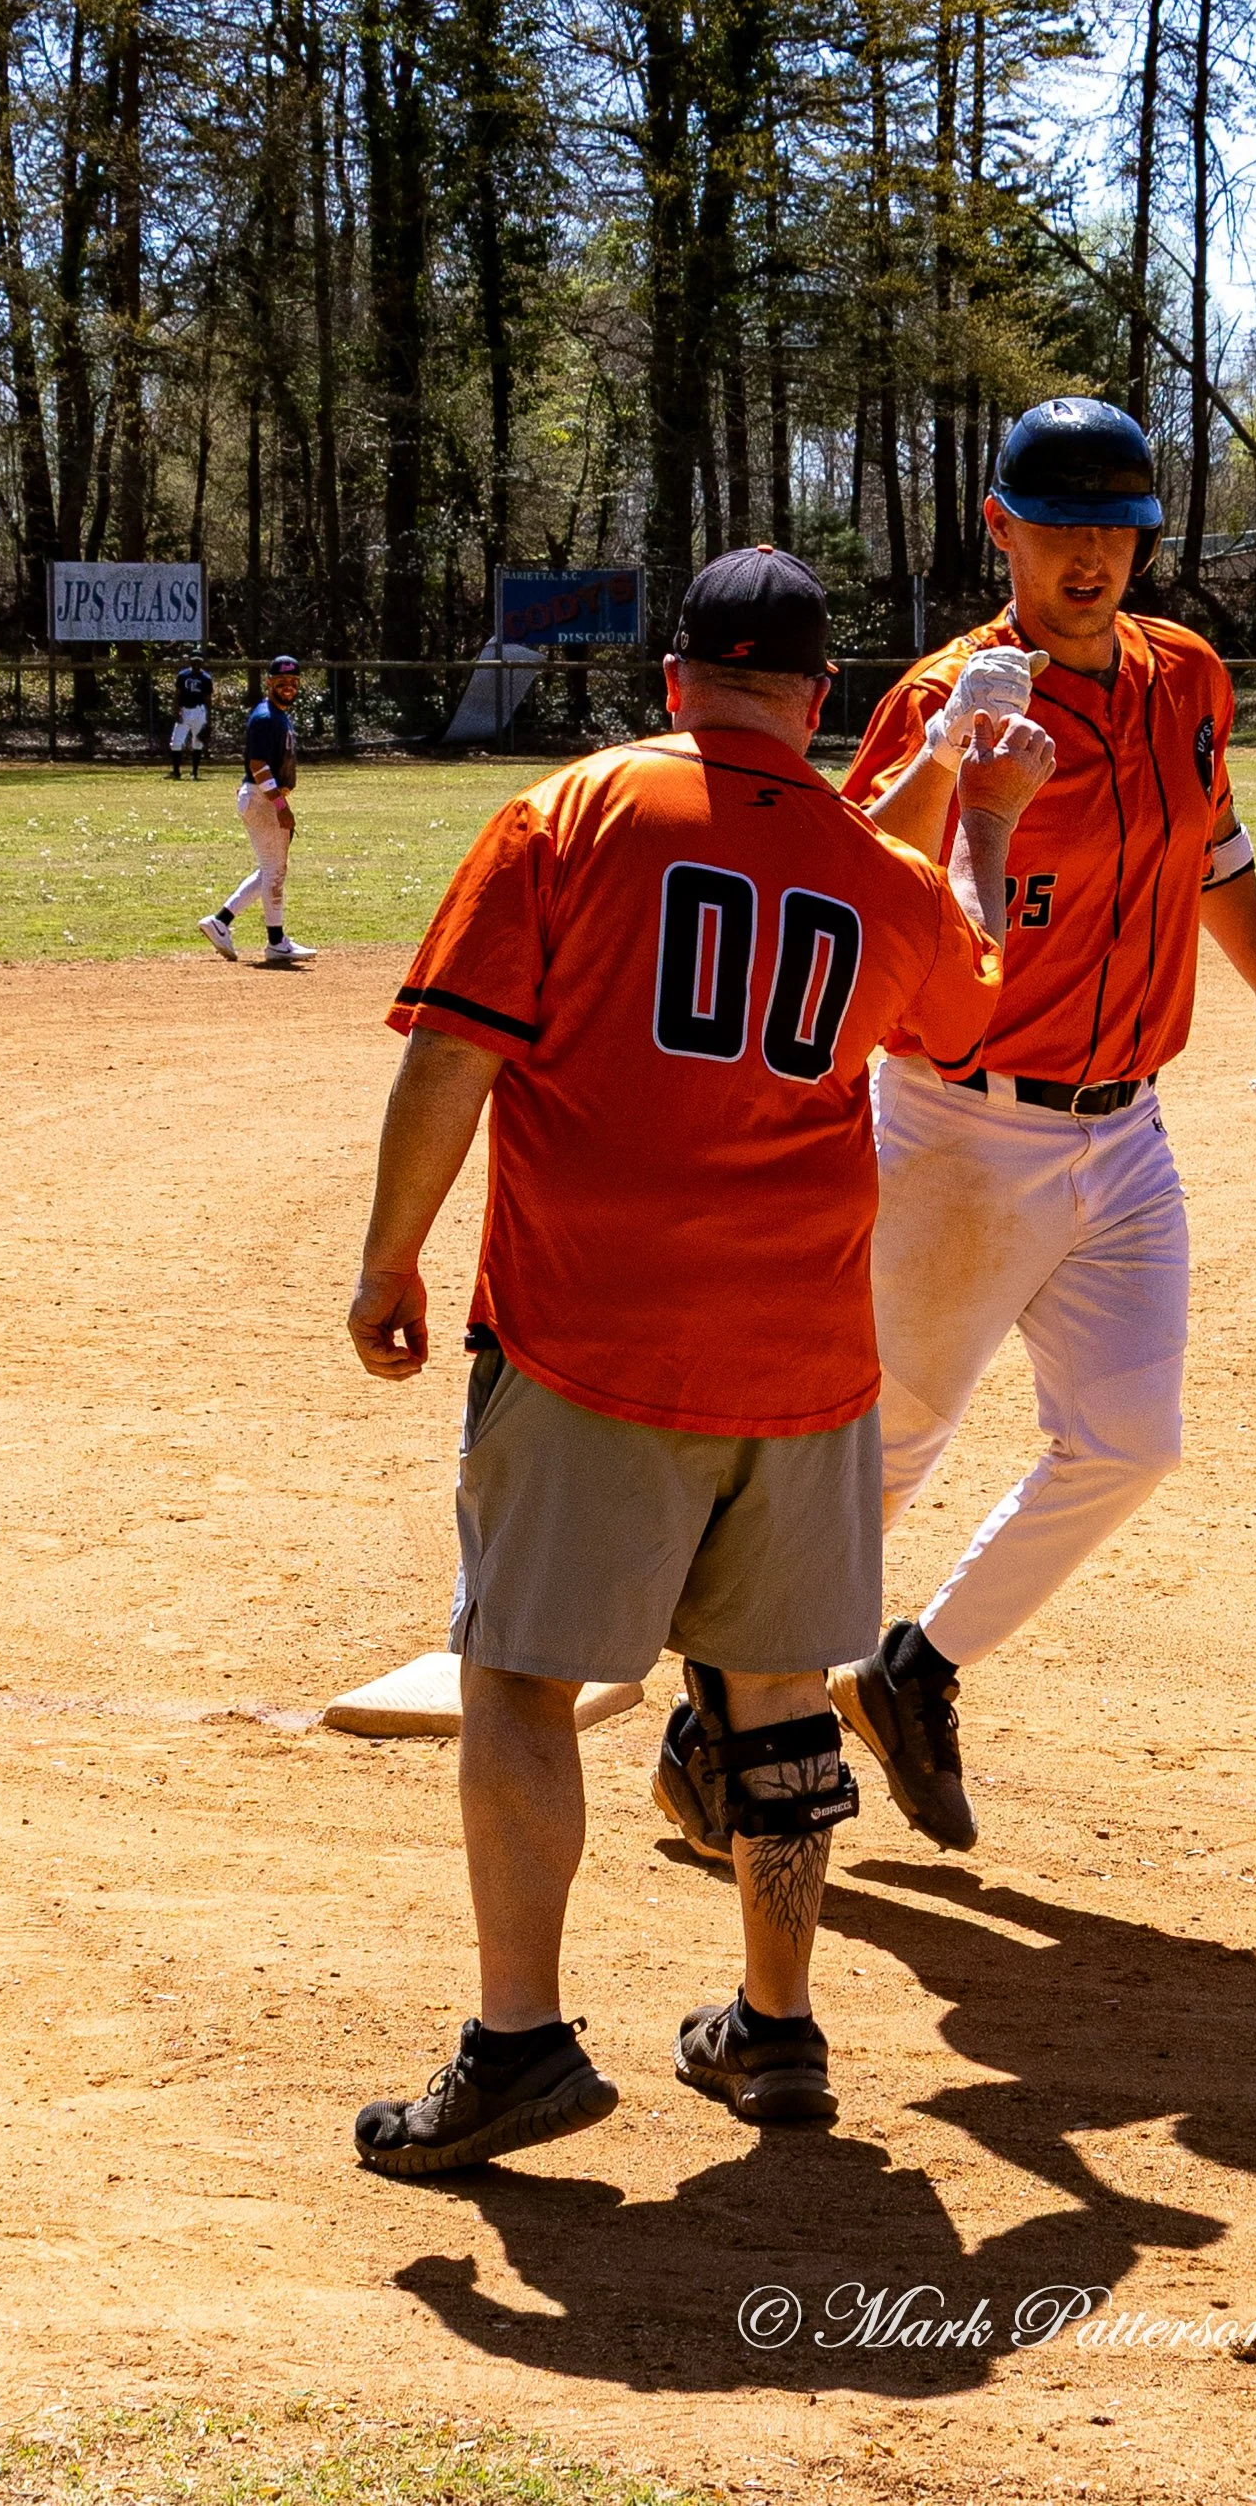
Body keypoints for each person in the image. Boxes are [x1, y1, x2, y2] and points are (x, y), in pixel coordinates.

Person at [343, 545, 1050, 2176]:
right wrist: (984, 811)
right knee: (778, 1700)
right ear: (815, 704)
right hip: (800, 1358)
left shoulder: (569, 812)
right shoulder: (868, 867)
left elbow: (453, 1050)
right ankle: (776, 2029)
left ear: (674, 678)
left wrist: (390, 1253)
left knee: (520, 1678)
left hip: (589, 1331)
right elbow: (965, 994)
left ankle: (519, 2043)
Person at [815, 397, 1256, 1852]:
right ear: (1001, 528)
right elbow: (855, 882)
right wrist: (950, 770)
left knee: (1128, 1438)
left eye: (1119, 524)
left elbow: (1209, 844)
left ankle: (910, 1671)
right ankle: (724, 1717)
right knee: (886, 1456)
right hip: (957, 1128)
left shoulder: (1186, 677)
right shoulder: (949, 693)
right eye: (1062, 522)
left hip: (1124, 1131)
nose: (1093, 552)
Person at [199, 657, 316, 968]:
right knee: (275, 873)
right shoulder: (266, 717)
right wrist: (281, 807)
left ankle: (220, 922)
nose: (287, 687)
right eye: (281, 682)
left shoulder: (278, 715)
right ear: (269, 683)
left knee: (268, 870)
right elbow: (258, 766)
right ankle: (276, 942)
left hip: (261, 797)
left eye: (293, 683)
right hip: (265, 801)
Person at [168, 654, 215, 779]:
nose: (196, 663)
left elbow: (208, 699)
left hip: (199, 710)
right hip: (184, 710)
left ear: (202, 662)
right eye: (194, 660)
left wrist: (208, 718)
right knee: (176, 742)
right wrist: (176, 710)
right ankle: (176, 772)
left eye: (199, 661)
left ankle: (194, 771)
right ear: (190, 661)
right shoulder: (183, 675)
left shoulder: (206, 678)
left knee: (198, 741)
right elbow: (177, 694)